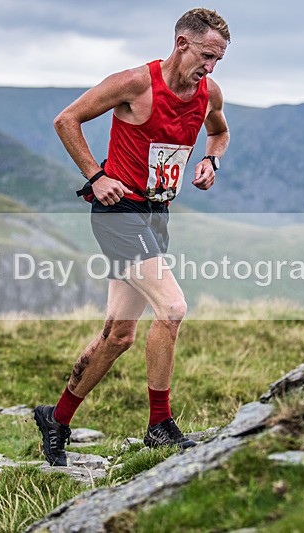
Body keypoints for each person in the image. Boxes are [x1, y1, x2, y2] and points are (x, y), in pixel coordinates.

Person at [34, 7, 230, 467]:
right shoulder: (135, 83)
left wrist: (211, 161)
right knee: (173, 308)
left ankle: (56, 418)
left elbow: (218, 133)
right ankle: (159, 426)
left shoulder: (209, 92)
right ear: (182, 43)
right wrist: (95, 175)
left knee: (119, 335)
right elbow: (67, 119)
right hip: (117, 212)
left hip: (156, 213)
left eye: (219, 58)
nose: (211, 67)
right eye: (206, 55)